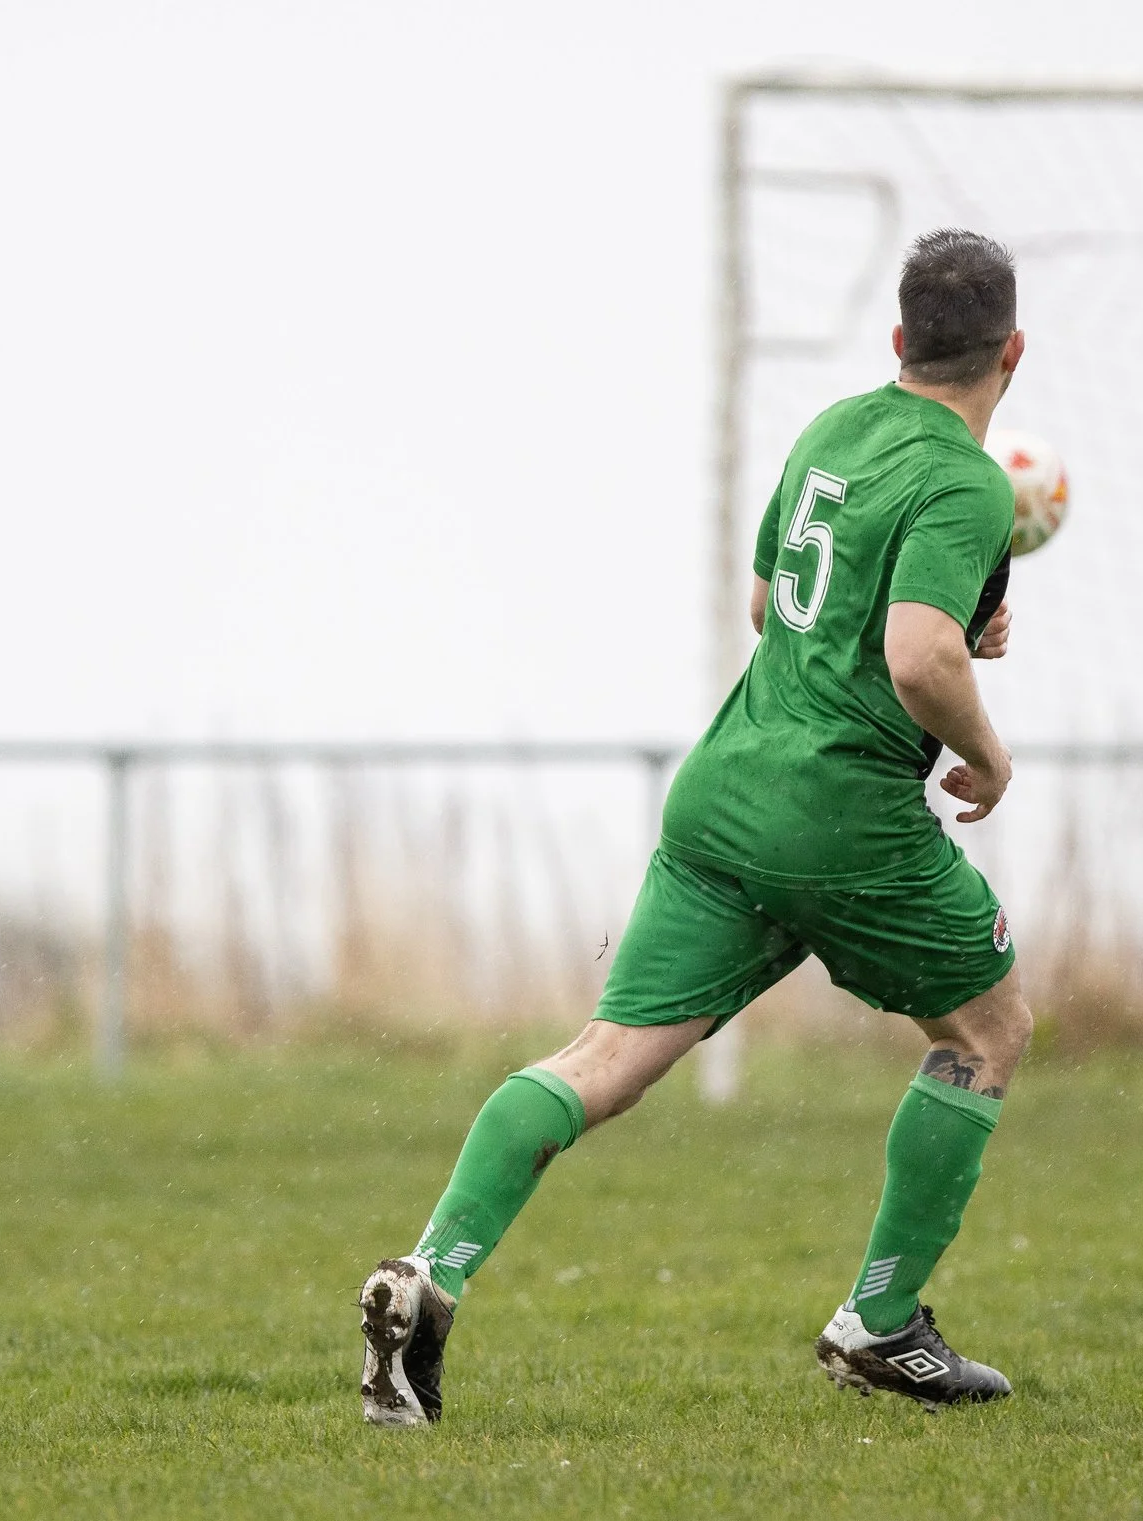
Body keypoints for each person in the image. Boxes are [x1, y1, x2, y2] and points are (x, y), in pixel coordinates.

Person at [359, 228, 1033, 1424]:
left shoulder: (834, 427)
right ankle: (880, 1321)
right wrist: (985, 749)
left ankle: (430, 1273)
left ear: (896, 342)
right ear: (1011, 353)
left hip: (722, 791)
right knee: (985, 1030)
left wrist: (935, 625)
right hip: (840, 814)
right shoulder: (970, 480)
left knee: (599, 1062)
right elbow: (917, 654)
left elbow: (777, 599)